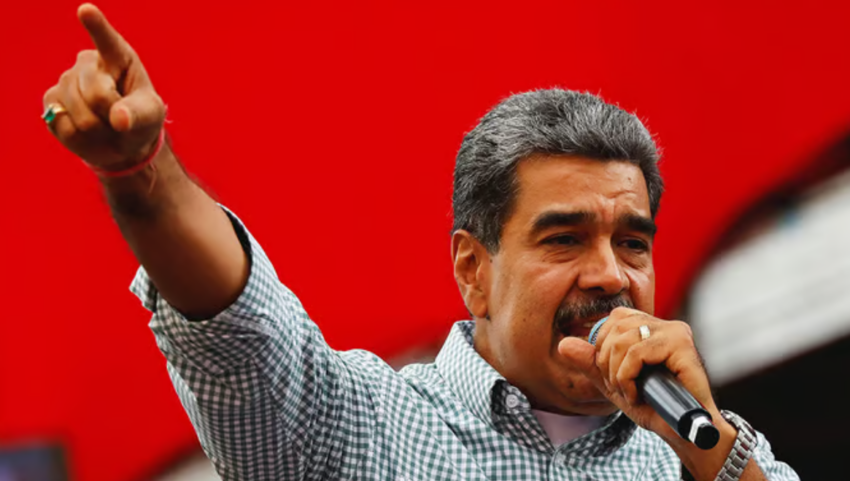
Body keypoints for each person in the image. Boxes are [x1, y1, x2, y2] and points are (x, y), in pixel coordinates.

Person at [43, 4, 800, 481]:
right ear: (473, 270)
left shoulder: (699, 453)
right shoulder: (356, 427)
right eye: (565, 239)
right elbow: (240, 329)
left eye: (632, 243)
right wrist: (142, 173)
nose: (610, 275)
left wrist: (709, 447)